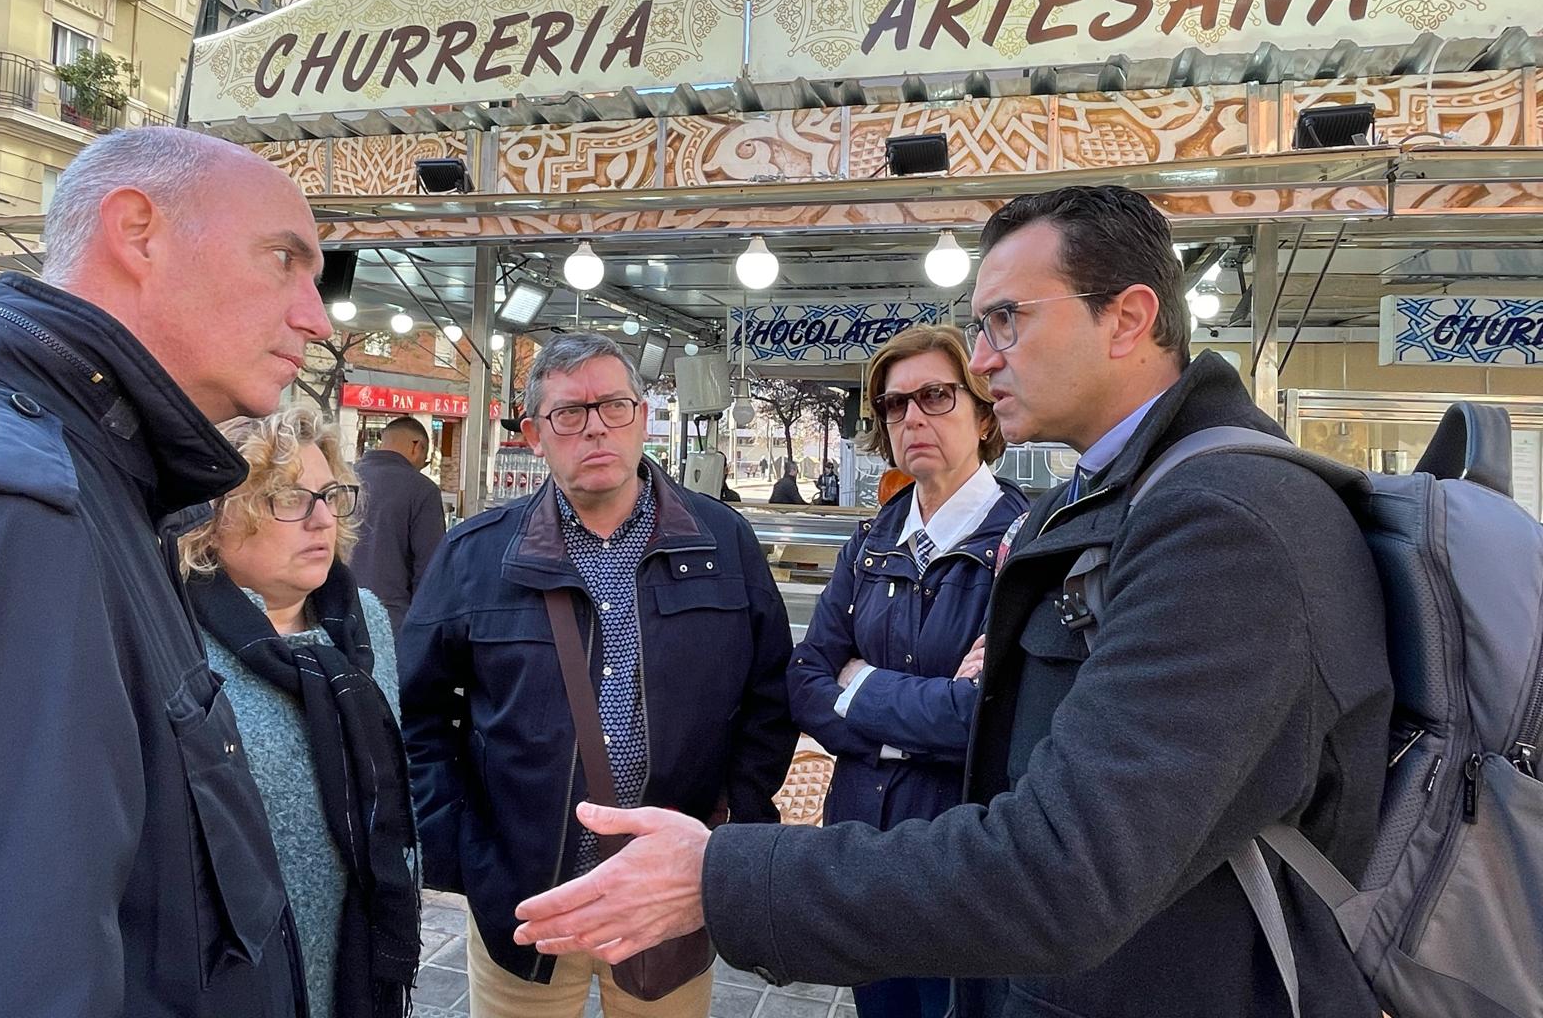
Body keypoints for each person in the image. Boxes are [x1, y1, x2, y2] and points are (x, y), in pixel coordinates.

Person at [511, 186, 1394, 1018]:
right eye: (976, 330)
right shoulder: (1094, 510)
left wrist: (719, 874)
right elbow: (812, 680)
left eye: (1006, 319)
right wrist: (907, 703)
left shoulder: (1220, 524)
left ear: (1128, 317)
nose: (981, 359)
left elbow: (1063, 865)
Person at [0, 127, 331, 1016]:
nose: (315, 316)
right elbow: (12, 962)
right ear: (137, 231)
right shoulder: (12, 503)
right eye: (284, 260)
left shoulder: (99, 477)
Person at [398, 332, 797, 1018]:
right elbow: (417, 715)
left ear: (643, 417)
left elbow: (769, 698)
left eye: (613, 406)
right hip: (525, 901)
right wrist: (462, 847)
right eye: (569, 413)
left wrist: (731, 831)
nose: (595, 429)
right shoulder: (474, 556)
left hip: (667, 899)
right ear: (533, 433)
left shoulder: (721, 540)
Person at [789, 325, 1027, 1018]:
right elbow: (805, 682)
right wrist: (930, 708)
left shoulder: (1028, 546)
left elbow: (992, 716)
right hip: (862, 846)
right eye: (894, 405)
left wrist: (857, 685)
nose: (911, 417)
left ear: (984, 414)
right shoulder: (869, 543)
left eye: (935, 396)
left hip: (968, 855)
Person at [179, 408, 420, 1018]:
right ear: (213, 519)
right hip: (232, 966)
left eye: (329, 494)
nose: (321, 518)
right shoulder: (174, 639)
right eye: (288, 497)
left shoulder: (362, 622)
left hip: (358, 946)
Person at [352, 414, 447, 631]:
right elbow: (430, 569)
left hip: (337, 613)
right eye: (424, 461)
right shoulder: (422, 490)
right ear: (417, 446)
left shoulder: (343, 479)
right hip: (392, 620)